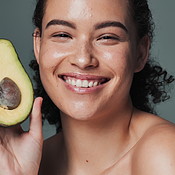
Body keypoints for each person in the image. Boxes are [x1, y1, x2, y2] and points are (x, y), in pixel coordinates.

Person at [0, 0, 175, 174]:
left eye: (107, 37)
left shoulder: (165, 153)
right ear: (38, 46)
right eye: (62, 35)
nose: (83, 60)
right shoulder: (28, 162)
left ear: (140, 53)